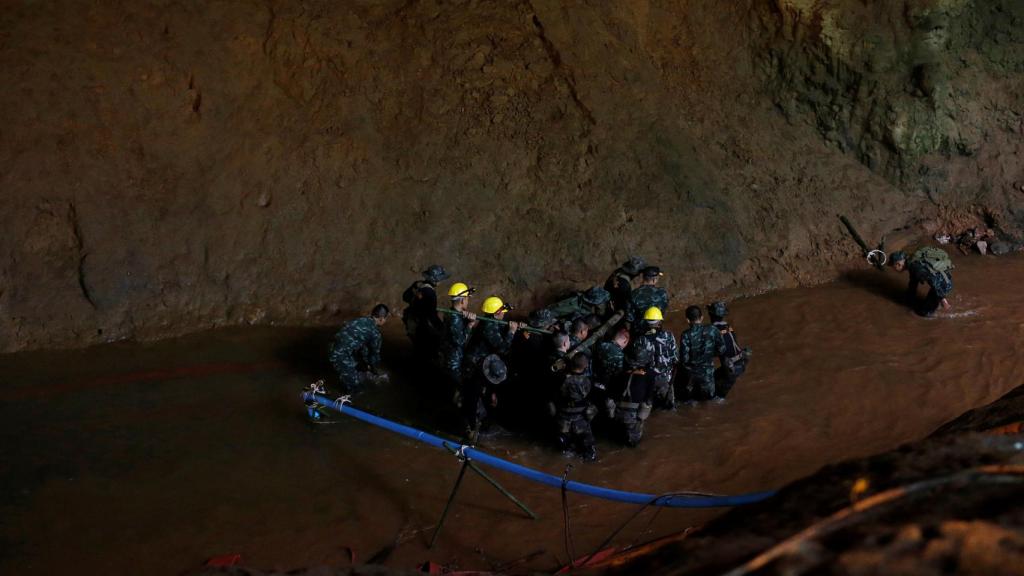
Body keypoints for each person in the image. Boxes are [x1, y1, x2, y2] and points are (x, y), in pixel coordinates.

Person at [329, 304, 390, 394]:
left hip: (331, 347)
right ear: (381, 319)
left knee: (357, 367)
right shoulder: (375, 334)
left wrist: (365, 364)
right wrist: (375, 370)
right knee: (358, 389)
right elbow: (374, 356)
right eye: (386, 318)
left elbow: (363, 350)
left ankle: (346, 376)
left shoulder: (359, 320)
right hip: (340, 355)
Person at [633, 307, 678, 409]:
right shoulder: (669, 336)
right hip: (666, 379)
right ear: (660, 322)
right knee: (669, 408)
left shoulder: (640, 339)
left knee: (648, 408)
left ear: (645, 322)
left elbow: (637, 362)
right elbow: (675, 358)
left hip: (648, 380)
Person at [555, 354, 598, 461]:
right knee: (589, 449)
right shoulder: (589, 380)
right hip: (581, 419)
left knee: (566, 448)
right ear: (586, 366)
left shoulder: (560, 379)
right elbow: (595, 399)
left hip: (563, 419)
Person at [609, 347, 654, 446]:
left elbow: (611, 393)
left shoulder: (619, 373)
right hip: (634, 414)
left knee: (616, 438)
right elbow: (648, 397)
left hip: (617, 412)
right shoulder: (649, 374)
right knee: (632, 443)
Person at [889, 247, 954, 317]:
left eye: (893, 267)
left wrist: (942, 299)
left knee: (925, 313)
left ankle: (933, 310)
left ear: (898, 264)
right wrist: (909, 297)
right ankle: (934, 302)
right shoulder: (912, 261)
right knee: (918, 301)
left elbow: (933, 281)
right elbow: (913, 282)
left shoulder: (915, 268)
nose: (894, 269)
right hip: (943, 278)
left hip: (943, 285)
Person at [678, 305, 725, 402]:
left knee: (691, 401)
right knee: (710, 401)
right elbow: (722, 349)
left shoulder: (686, 335)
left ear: (687, 320)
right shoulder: (712, 329)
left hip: (691, 377)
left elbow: (684, 359)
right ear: (702, 317)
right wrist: (710, 355)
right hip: (707, 374)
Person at [401, 265, 448, 358]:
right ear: (435, 280)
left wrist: (416, 296)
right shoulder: (430, 293)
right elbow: (431, 316)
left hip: (411, 320)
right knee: (427, 350)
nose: (441, 281)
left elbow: (405, 297)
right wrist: (442, 327)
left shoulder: (418, 284)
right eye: (440, 279)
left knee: (418, 347)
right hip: (420, 325)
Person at [441, 283, 478, 398]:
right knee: (457, 385)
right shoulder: (455, 318)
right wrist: (470, 325)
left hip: (450, 355)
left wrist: (466, 320)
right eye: (467, 299)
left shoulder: (452, 313)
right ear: (462, 300)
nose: (467, 302)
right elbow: (460, 341)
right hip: (453, 360)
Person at [465, 296, 521, 370]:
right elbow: (502, 350)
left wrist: (517, 327)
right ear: (497, 313)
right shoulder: (489, 326)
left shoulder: (490, 319)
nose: (504, 314)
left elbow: (502, 327)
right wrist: (511, 332)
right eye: (502, 312)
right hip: (476, 362)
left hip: (481, 359)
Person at [708, 301, 751, 399]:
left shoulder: (712, 330)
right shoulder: (728, 326)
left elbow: (711, 352)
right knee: (715, 377)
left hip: (731, 368)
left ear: (711, 315)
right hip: (740, 363)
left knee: (717, 398)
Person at [461, 354, 506, 440]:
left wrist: (493, 394)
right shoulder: (477, 381)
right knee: (469, 409)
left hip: (484, 388)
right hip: (468, 387)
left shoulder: (496, 364)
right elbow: (472, 404)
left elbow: (495, 385)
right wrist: (473, 426)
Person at [592, 328, 629, 420]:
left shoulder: (601, 345)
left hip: (594, 381)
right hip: (608, 386)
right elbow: (619, 373)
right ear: (625, 341)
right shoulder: (620, 355)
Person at [545, 286, 612, 327]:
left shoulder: (589, 308)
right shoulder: (573, 304)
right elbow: (549, 312)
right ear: (594, 303)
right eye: (603, 303)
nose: (604, 305)